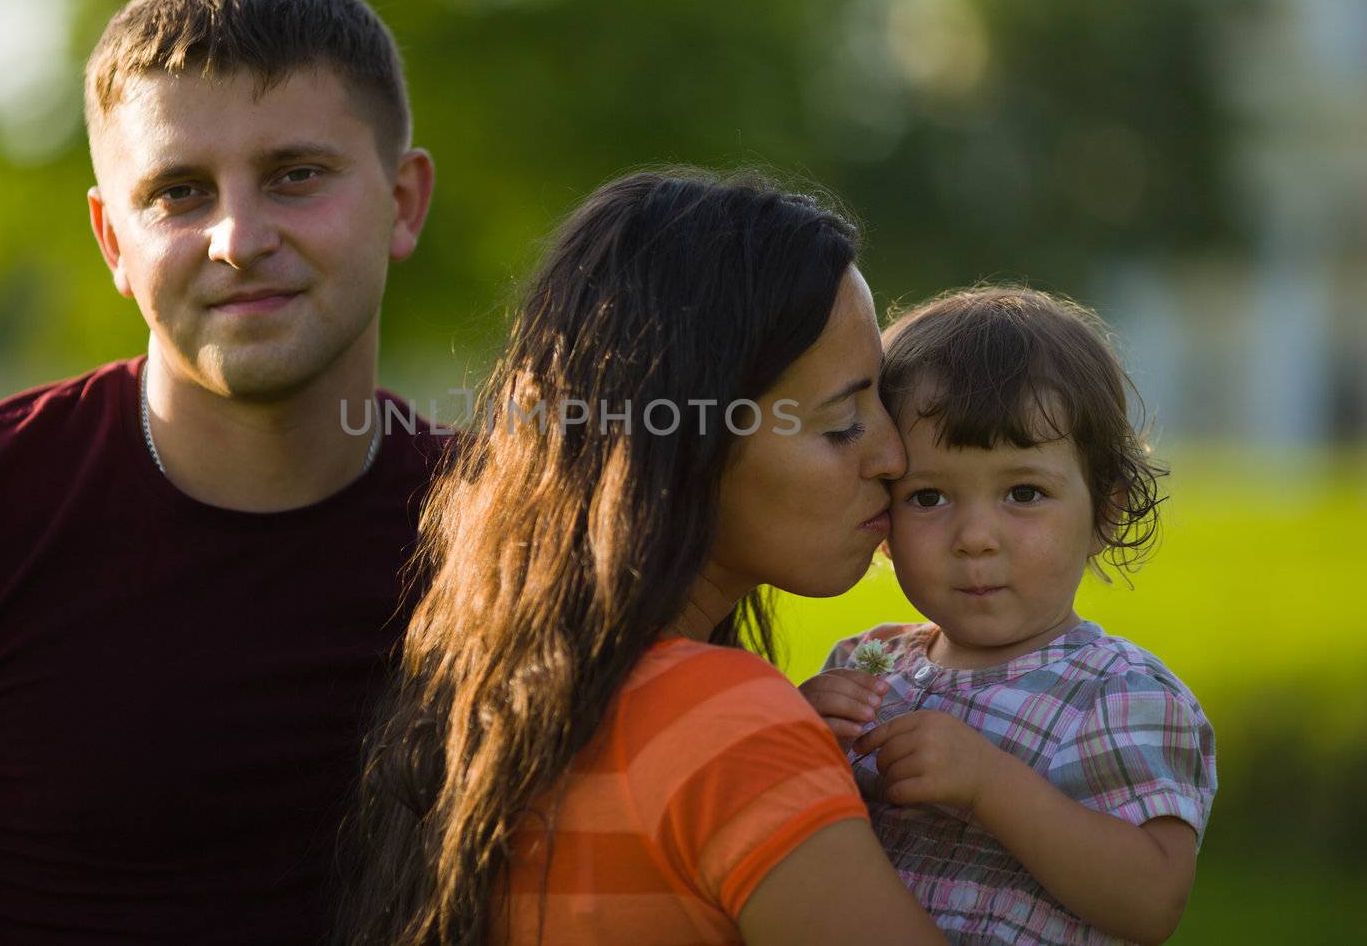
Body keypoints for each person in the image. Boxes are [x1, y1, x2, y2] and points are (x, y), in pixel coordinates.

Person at [0, 0, 441, 944]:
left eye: (296, 175)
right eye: (178, 192)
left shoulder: (513, 532)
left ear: (404, 201)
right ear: (111, 240)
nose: (237, 238)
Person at [337, 170, 945, 946]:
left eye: (881, 405)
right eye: (840, 424)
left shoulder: (489, 707)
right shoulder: (728, 725)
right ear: (689, 446)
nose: (894, 454)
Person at [803, 286, 1217, 945]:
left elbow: (1151, 899)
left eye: (1024, 492)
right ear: (884, 517)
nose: (974, 536)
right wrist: (804, 739)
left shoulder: (1119, 694)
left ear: (1104, 511)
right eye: (929, 496)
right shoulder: (864, 665)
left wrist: (989, 783)